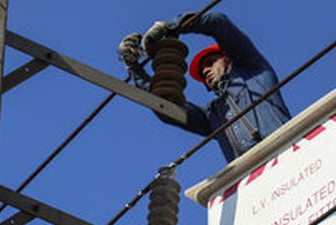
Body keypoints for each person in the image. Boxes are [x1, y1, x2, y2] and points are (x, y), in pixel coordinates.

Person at [119, 10, 292, 161]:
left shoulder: (255, 73)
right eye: (202, 73)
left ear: (227, 61)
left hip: (289, 153)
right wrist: (133, 67)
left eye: (210, 63)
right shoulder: (213, 115)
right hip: (253, 177)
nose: (206, 71)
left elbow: (219, 22)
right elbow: (165, 107)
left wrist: (169, 26)